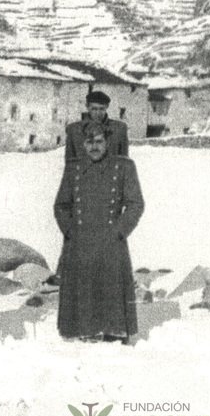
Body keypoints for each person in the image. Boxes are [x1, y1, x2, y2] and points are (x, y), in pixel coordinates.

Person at [54, 122, 144, 343]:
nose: (94, 147)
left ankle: (113, 333)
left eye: (99, 141)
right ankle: (83, 332)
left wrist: (119, 231)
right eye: (89, 142)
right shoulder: (73, 168)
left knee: (110, 289)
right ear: (82, 144)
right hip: (80, 241)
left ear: (108, 142)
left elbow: (136, 204)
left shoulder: (123, 167)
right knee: (83, 291)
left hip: (111, 241)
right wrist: (70, 232)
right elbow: (61, 206)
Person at [64, 91, 129, 161]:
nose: (98, 113)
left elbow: (124, 161)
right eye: (94, 109)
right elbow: (70, 163)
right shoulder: (74, 130)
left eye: (102, 109)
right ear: (87, 107)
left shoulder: (119, 129)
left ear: (107, 107)